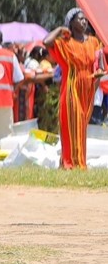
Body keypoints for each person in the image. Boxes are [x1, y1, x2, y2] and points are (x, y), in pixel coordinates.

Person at [45, 9, 104, 170]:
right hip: (72, 88)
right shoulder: (65, 42)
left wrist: (97, 79)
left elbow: (100, 63)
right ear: (71, 23)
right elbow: (46, 42)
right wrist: (59, 29)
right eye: (80, 19)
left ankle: (80, 162)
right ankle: (70, 163)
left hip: (89, 89)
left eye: (85, 19)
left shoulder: (93, 42)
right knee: (71, 123)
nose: (84, 22)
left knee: (82, 126)